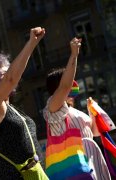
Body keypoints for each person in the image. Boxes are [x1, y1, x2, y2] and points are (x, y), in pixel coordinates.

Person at [0, 27, 48, 179]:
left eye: (10, 71)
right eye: (3, 75)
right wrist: (31, 44)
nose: (10, 77)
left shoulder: (13, 109)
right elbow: (11, 79)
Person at [43, 37, 111, 180]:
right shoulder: (53, 108)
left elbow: (95, 134)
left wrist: (92, 112)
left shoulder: (73, 110)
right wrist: (74, 55)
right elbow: (65, 86)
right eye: (71, 84)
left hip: (92, 156)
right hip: (75, 160)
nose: (73, 87)